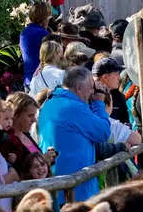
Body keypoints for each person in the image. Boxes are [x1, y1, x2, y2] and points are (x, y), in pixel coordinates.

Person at [38, 67, 110, 202]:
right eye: (90, 87)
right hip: (76, 190)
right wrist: (99, 103)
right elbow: (103, 132)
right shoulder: (74, 107)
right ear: (78, 88)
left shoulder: (50, 103)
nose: (92, 92)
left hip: (57, 186)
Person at [0, 92, 56, 171]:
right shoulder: (8, 140)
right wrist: (43, 160)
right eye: (30, 116)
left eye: (34, 115)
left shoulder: (26, 134)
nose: (34, 120)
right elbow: (18, 171)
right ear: (15, 115)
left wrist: (48, 159)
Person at [20, 2, 52, 88]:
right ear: (44, 17)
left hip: (28, 78)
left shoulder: (24, 32)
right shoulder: (42, 33)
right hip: (41, 79)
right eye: (49, 16)